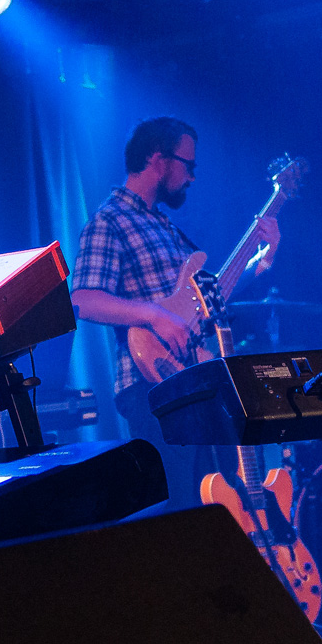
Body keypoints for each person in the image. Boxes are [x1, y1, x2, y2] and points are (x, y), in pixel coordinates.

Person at [69, 116, 279, 506]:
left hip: (196, 383)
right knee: (184, 506)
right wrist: (154, 315)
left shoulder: (165, 227)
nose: (192, 177)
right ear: (158, 159)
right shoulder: (110, 220)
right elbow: (83, 299)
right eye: (188, 165)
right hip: (152, 385)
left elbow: (211, 298)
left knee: (224, 503)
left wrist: (262, 261)